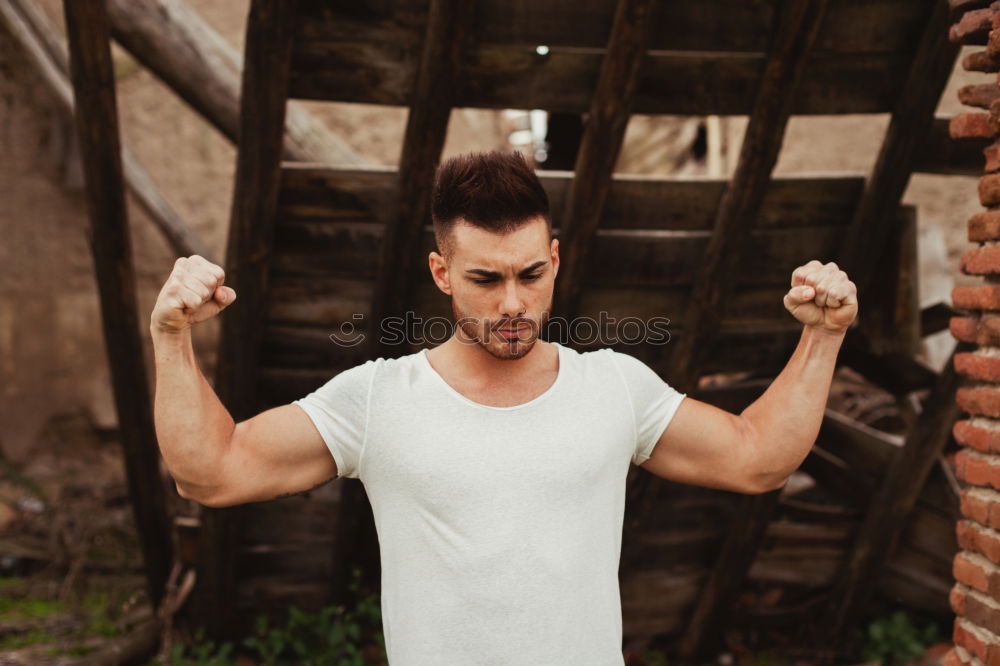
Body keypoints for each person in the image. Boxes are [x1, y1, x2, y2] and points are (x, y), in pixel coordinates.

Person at [150, 150, 858, 665]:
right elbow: (212, 473)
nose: (514, 303)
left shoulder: (614, 387)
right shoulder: (377, 400)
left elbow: (758, 459)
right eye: (486, 279)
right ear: (442, 274)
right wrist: (172, 336)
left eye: (531, 274)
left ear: (556, 258)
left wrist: (823, 336)